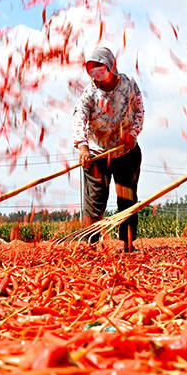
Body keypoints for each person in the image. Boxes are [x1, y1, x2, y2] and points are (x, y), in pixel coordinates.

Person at [72, 47, 144, 251]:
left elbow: (139, 110)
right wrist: (82, 146)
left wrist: (133, 134)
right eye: (91, 73)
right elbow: (79, 116)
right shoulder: (90, 93)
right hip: (97, 153)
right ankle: (89, 244)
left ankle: (128, 244)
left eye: (99, 71)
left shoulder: (128, 85)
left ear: (111, 68)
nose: (96, 78)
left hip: (126, 152)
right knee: (94, 201)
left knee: (127, 199)